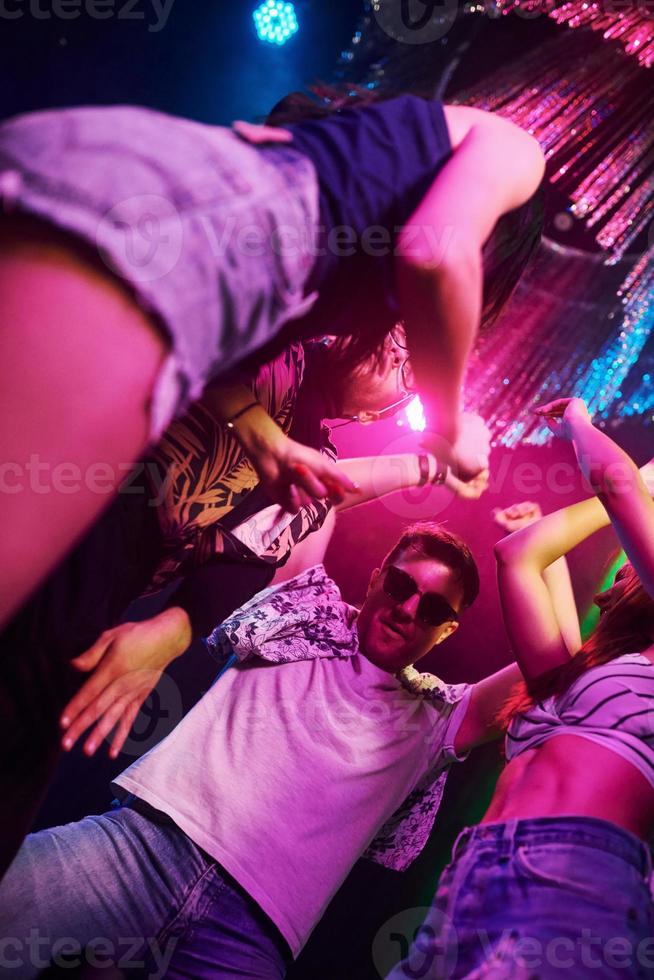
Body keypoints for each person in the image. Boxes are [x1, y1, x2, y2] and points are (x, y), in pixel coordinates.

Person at [0, 88, 545, 629]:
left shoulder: (330, 255)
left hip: (111, 185)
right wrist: (452, 429)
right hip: (160, 238)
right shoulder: (521, 153)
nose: (410, 346)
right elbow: (434, 255)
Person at [0, 326, 490, 878]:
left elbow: (296, 510)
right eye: (398, 338)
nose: (389, 352)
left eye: (406, 366)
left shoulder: (310, 461)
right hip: (41, 519)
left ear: (386, 414)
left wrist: (173, 631)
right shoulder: (280, 346)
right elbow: (200, 347)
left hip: (84, 610)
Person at [389, 401, 654, 979]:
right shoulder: (584, 674)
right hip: (471, 878)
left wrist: (584, 426)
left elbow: (617, 483)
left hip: (576, 878)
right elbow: (519, 557)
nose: (624, 566)